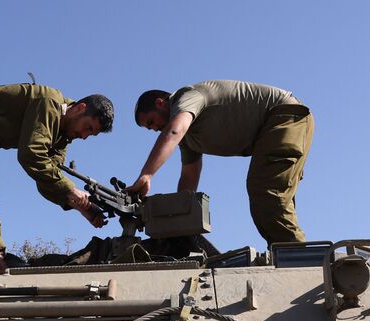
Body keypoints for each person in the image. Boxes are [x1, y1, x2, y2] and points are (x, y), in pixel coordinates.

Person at [0, 83, 113, 276]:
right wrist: (71, 190)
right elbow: (31, 156)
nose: (84, 136)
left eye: (91, 134)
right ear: (79, 108)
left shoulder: (62, 135)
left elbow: (47, 177)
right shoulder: (49, 102)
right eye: (88, 127)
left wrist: (81, 205)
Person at [126, 80, 313, 247]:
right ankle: (292, 254)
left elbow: (174, 132)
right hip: (281, 124)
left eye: (152, 122)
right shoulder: (189, 138)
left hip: (284, 116)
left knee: (266, 191)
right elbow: (189, 176)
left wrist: (146, 175)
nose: (155, 129)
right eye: (150, 128)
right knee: (274, 201)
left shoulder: (187, 96)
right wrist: (178, 221)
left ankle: (297, 260)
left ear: (161, 103)